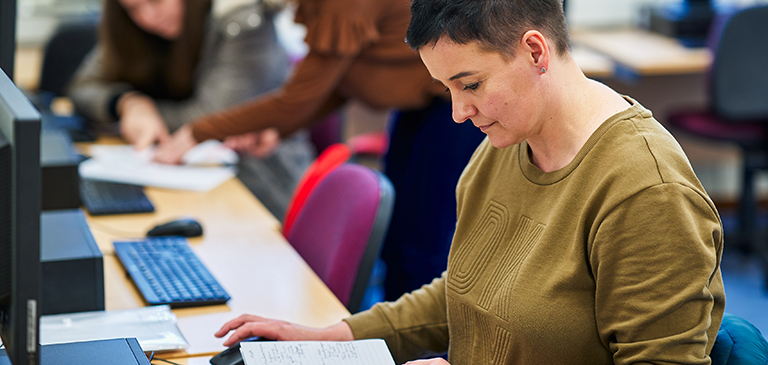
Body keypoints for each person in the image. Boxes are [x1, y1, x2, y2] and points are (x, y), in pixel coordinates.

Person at [210, 0, 727, 364]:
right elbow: (465, 291)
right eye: (447, 89)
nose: (458, 113)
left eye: (471, 85)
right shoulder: (503, 144)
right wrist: (329, 337)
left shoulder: (645, 192)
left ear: (535, 51)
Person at [149, 0, 486, 300]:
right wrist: (278, 130)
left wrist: (197, 131)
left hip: (448, 108)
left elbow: (294, 100)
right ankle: (395, 335)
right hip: (417, 108)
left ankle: (424, 347)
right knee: (399, 236)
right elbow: (340, 84)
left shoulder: (343, 5)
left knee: (421, 242)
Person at [67, 0, 314, 219]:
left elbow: (212, 117)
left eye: (156, 1)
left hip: (257, 185)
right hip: (177, 177)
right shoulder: (134, 29)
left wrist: (147, 114)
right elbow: (82, 87)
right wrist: (128, 103)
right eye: (133, 9)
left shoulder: (242, 19)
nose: (147, 17)